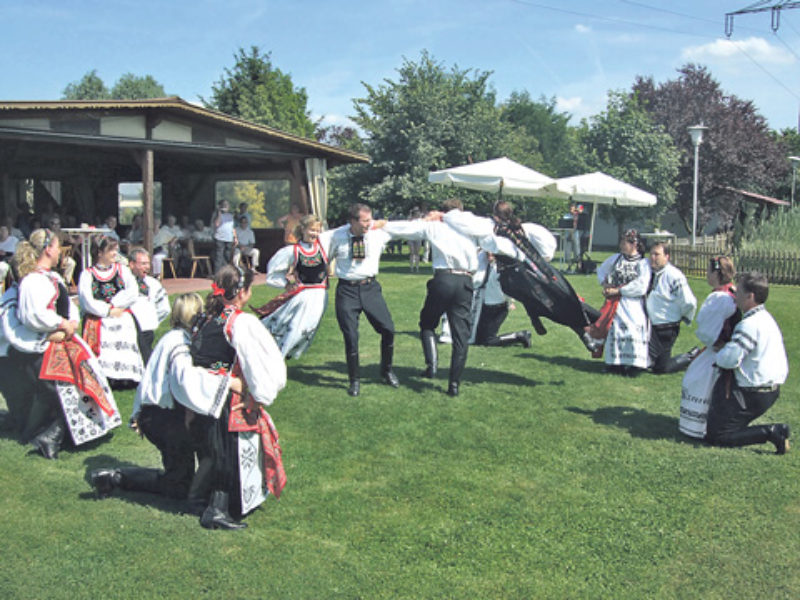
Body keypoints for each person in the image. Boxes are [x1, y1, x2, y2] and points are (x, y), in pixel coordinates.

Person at [90, 293, 243, 513]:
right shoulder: (181, 344)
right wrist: (226, 383)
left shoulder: (173, 337)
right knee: (180, 482)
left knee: (185, 470)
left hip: (156, 413)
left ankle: (200, 492)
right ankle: (115, 478)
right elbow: (185, 381)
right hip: (162, 417)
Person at [189, 265, 287, 529]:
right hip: (225, 398)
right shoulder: (240, 321)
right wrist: (260, 392)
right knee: (226, 453)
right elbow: (260, 361)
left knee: (212, 451)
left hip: (200, 395)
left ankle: (202, 498)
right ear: (242, 292)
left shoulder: (205, 318)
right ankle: (217, 509)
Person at [13, 229, 121, 458]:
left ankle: (53, 435)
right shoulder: (33, 280)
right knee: (73, 387)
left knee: (89, 381)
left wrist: (71, 321)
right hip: (45, 347)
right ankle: (51, 435)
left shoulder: (51, 277)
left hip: (64, 340)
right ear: (47, 249)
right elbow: (33, 315)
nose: (60, 251)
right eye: (56, 245)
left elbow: (68, 305)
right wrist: (62, 323)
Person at [443, 200, 599, 349]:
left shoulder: (496, 230)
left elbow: (497, 244)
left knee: (552, 305)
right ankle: (587, 330)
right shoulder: (517, 228)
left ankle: (588, 327)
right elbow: (542, 250)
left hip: (514, 278)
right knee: (553, 304)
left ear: (495, 215)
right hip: (525, 273)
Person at [381, 199, 484, 396]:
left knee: (428, 323)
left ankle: (432, 366)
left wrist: (382, 224)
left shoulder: (435, 227)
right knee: (460, 335)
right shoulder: (472, 228)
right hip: (465, 281)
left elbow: (406, 228)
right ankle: (454, 384)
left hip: (444, 278)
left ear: (442, 213)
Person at [705, 272, 790, 454]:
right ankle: (772, 432)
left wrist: (720, 351)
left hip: (752, 392)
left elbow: (729, 360)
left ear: (750, 296)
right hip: (769, 389)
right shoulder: (766, 318)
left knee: (718, 435)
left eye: (739, 291)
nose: (735, 294)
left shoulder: (748, 325)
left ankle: (773, 432)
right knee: (718, 426)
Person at [328, 203, 402, 396]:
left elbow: (406, 228)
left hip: (370, 288)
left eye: (371, 219)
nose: (370, 223)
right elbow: (323, 256)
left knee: (388, 330)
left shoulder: (378, 233)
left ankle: (386, 370)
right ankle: (354, 380)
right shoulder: (337, 236)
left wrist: (428, 221)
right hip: (347, 290)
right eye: (365, 220)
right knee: (351, 337)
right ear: (352, 221)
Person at [256, 214, 334, 359]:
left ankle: (285, 354)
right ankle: (278, 355)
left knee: (308, 329)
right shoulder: (294, 251)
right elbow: (274, 273)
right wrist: (286, 284)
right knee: (294, 327)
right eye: (311, 230)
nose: (315, 234)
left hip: (320, 296)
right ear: (303, 229)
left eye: (317, 231)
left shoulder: (323, 248)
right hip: (303, 296)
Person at [679, 256, 739, 439]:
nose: (706, 274)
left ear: (717, 273)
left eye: (709, 271)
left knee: (697, 381)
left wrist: (714, 342)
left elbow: (706, 332)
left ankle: (697, 426)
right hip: (726, 348)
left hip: (719, 351)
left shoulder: (720, 298)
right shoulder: (732, 292)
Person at [78, 236, 144, 387]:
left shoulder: (122, 270)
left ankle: (126, 377)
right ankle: (106, 376)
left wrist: (115, 304)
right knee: (105, 329)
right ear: (100, 253)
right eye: (111, 250)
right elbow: (86, 301)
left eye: (116, 249)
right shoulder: (88, 274)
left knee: (126, 324)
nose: (115, 253)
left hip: (119, 312)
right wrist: (107, 310)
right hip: (99, 315)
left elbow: (133, 291)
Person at [589, 230, 651, 376]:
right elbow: (602, 270)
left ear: (634, 244)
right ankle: (614, 363)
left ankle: (634, 364)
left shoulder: (643, 263)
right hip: (615, 304)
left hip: (633, 303)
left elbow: (641, 285)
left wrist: (619, 291)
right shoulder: (616, 259)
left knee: (632, 330)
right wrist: (605, 284)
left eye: (625, 242)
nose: (621, 245)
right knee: (614, 330)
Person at [646, 242, 697, 373]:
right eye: (651, 254)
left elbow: (689, 301)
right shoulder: (649, 273)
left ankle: (691, 356)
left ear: (667, 256)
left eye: (657, 254)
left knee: (661, 368)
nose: (653, 257)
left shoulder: (674, 275)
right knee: (646, 363)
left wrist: (682, 317)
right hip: (650, 326)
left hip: (666, 327)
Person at [128, 247, 170, 365]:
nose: (147, 267)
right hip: (127, 332)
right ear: (131, 264)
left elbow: (165, 308)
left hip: (146, 331)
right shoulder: (123, 283)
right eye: (143, 264)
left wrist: (152, 321)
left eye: (148, 263)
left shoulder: (153, 284)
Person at [212, 200, 237, 272]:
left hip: (229, 238)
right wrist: (219, 213)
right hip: (219, 238)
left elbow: (232, 227)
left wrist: (235, 237)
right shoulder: (217, 215)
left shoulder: (230, 216)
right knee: (219, 256)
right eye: (224, 205)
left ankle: (226, 272)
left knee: (227, 256)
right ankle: (217, 273)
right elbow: (216, 224)